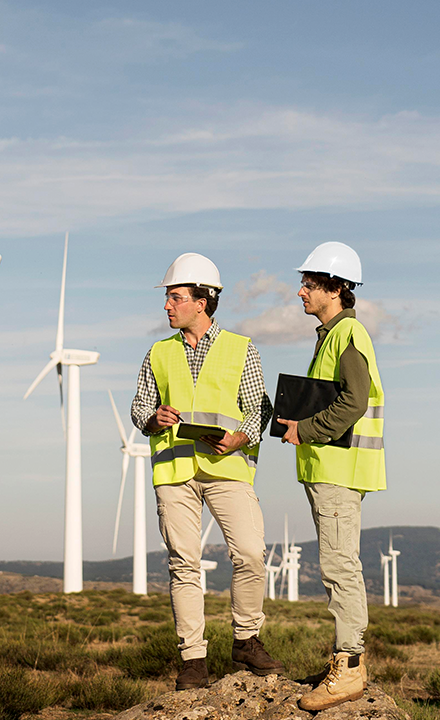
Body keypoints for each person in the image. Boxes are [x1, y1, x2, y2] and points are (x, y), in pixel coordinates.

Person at [131, 252, 281, 691]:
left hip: (228, 467)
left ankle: (246, 637)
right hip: (174, 471)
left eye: (175, 297)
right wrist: (151, 418)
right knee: (184, 564)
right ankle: (193, 659)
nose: (166, 305)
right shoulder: (157, 353)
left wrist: (239, 438)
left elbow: (260, 409)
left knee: (251, 554)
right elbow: (140, 408)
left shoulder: (241, 348)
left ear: (202, 300)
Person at [276, 242, 386, 712]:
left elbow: (354, 402)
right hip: (327, 471)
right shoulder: (330, 336)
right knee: (337, 565)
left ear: (337, 288)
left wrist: (306, 429)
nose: (300, 291)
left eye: (310, 284)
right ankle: (346, 660)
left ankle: (350, 668)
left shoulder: (347, 337)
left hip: (340, 472)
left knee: (340, 567)